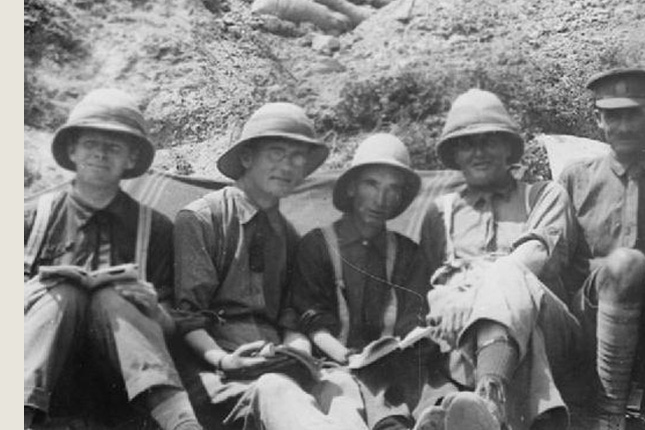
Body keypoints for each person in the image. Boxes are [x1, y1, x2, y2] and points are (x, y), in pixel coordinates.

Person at [172, 102, 364, 430]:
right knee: (276, 388)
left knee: (341, 386)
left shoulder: (289, 237)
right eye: (276, 153)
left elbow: (291, 319)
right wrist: (225, 360)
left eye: (297, 156)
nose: (287, 166)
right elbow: (188, 318)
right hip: (222, 375)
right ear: (247, 158)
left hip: (278, 364)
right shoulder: (203, 219)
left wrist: (299, 352)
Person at [24, 89, 202, 430]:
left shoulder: (156, 229)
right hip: (43, 377)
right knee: (60, 294)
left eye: (114, 147)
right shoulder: (30, 219)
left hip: (122, 384)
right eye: (91, 143)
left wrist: (153, 307)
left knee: (116, 296)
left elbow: (173, 324)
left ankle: (182, 423)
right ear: (73, 149)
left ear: (131, 159)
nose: (100, 154)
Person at [419, 89, 589, 430]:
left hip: (550, 327)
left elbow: (534, 256)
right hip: (463, 342)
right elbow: (428, 285)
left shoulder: (544, 194)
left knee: (509, 270)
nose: (478, 152)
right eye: (467, 144)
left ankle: (489, 402)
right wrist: (444, 298)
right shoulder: (441, 212)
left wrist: (465, 291)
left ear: (509, 147)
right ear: (454, 153)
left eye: (490, 141)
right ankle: (491, 414)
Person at [558, 69, 645, 430]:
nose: (624, 126)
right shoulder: (576, 178)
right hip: (592, 316)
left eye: (634, 114)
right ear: (598, 120)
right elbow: (557, 259)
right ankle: (609, 415)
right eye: (613, 116)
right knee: (625, 263)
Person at [289, 132, 444, 429]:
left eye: (393, 189)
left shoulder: (407, 252)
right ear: (351, 188)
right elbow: (310, 318)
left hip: (401, 364)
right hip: (337, 365)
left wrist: (418, 335)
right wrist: (345, 356)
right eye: (371, 184)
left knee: (438, 390)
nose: (381, 199)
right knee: (372, 395)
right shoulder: (317, 245)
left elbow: (414, 318)